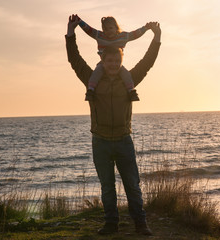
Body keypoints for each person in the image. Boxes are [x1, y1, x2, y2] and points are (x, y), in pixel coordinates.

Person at [65, 14, 161, 236]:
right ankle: (111, 224)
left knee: (132, 186)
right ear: (103, 61)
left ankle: (140, 223)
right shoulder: (92, 78)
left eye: (117, 62)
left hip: (123, 140)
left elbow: (147, 63)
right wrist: (71, 34)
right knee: (107, 188)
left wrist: (156, 38)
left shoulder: (129, 79)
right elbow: (75, 61)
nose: (113, 65)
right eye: (109, 62)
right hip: (100, 142)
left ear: (121, 61)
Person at [77, 15, 150, 101]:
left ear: (116, 27)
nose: (108, 31)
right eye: (105, 29)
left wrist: (145, 28)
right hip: (103, 63)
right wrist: (79, 21)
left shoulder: (122, 37)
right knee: (96, 74)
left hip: (117, 64)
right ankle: (90, 91)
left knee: (126, 75)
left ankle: (131, 91)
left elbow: (135, 34)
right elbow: (89, 30)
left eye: (110, 28)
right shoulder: (100, 36)